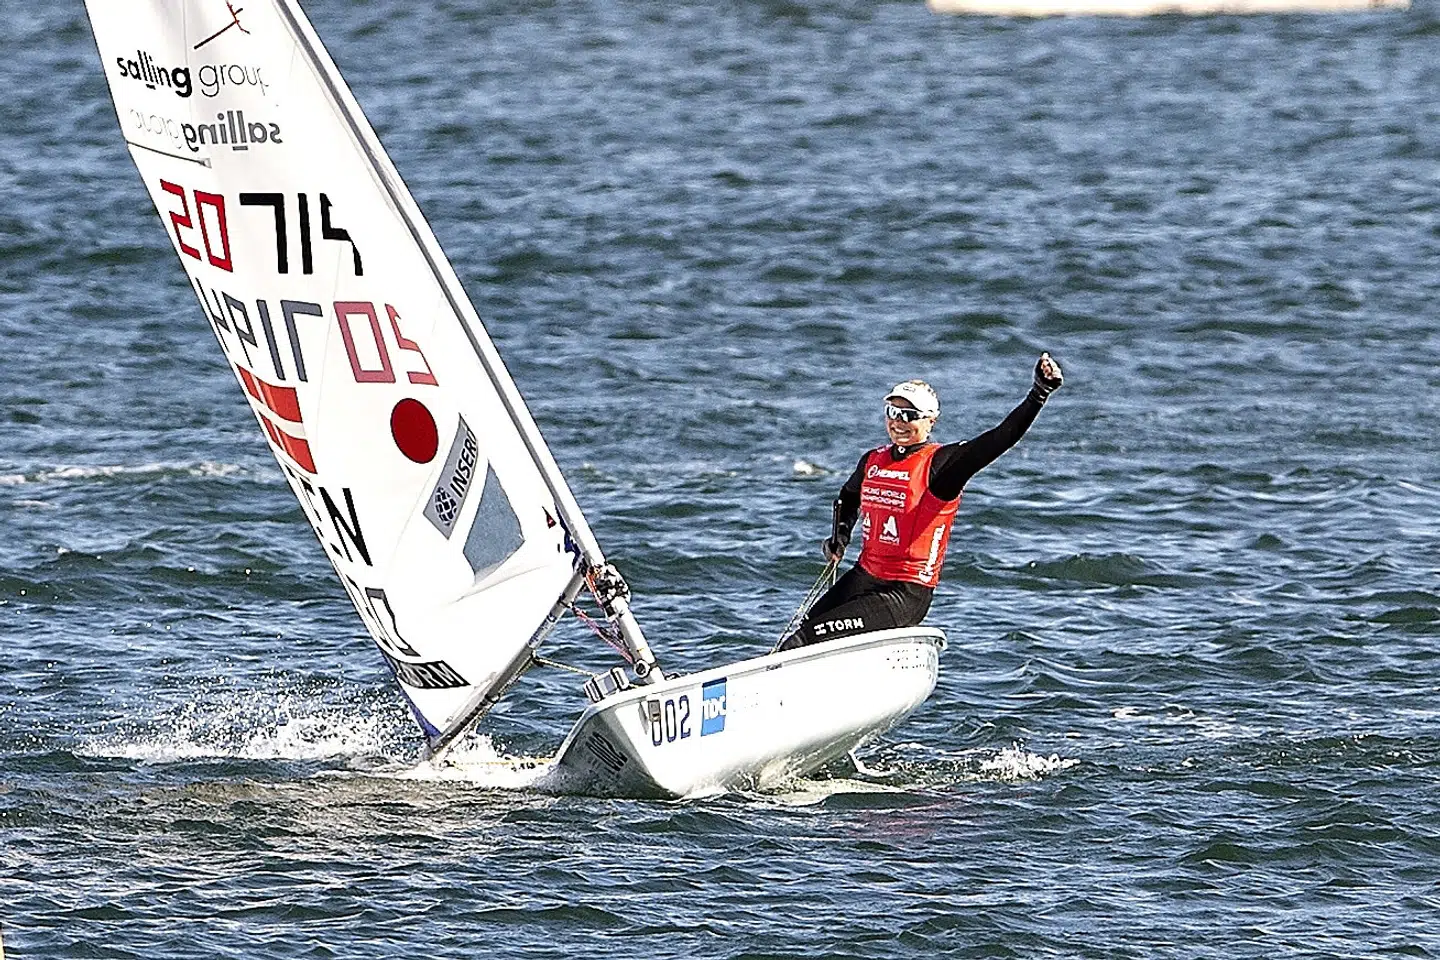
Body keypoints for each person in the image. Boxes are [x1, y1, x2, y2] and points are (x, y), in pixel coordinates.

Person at [778, 353, 1063, 650]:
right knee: (802, 631)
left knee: (803, 641)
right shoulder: (874, 461)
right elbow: (848, 497)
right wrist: (840, 535)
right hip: (863, 577)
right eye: (892, 412)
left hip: (904, 593)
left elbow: (998, 439)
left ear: (931, 421)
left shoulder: (941, 466)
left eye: (909, 416)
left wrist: (1038, 393)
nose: (898, 422)